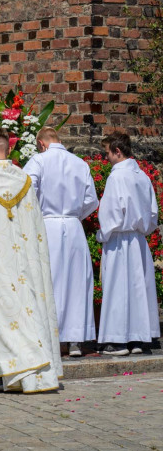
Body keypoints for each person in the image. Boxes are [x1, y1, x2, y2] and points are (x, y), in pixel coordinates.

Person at [0, 127, 62, 393]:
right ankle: (27, 368)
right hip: (22, 261)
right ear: (9, 149)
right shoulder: (24, 181)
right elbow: (35, 227)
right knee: (24, 307)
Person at [23, 127, 98, 357]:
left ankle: (51, 338)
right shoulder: (79, 163)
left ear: (41, 143)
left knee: (49, 281)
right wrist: (74, 215)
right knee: (76, 282)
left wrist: (36, 215)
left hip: (47, 225)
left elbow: (27, 190)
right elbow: (92, 200)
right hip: (74, 226)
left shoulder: (38, 161)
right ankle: (75, 341)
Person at [97, 131, 160, 356]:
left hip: (120, 238)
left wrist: (102, 234)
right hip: (138, 239)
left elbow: (111, 211)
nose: (106, 159)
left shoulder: (117, 176)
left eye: (107, 154)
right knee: (137, 289)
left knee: (118, 287)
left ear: (117, 151)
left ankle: (117, 340)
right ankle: (138, 338)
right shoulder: (142, 176)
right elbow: (153, 213)